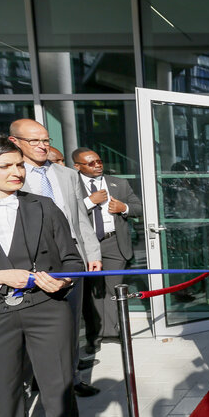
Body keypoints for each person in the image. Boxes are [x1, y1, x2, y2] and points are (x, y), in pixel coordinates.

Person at [0, 132, 89, 417]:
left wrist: (63, 280)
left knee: (59, 393)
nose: (16, 171)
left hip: (48, 310)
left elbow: (72, 260)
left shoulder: (42, 206)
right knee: (2, 398)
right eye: (5, 166)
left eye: (19, 164)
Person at [10, 119, 102, 398]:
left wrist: (92, 252)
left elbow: (80, 219)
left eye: (46, 140)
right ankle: (30, 382)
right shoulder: (11, 175)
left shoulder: (66, 175)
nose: (42, 146)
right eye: (34, 141)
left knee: (70, 323)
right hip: (27, 266)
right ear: (15, 142)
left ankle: (71, 377)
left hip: (70, 259)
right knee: (26, 330)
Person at [72, 148, 142, 352]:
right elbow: (64, 212)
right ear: (77, 166)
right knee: (92, 293)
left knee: (114, 290)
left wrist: (124, 208)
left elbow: (139, 208)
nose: (98, 165)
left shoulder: (118, 183)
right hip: (85, 245)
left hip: (114, 243)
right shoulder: (71, 185)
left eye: (99, 161)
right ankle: (94, 336)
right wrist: (88, 202)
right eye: (91, 163)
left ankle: (113, 331)